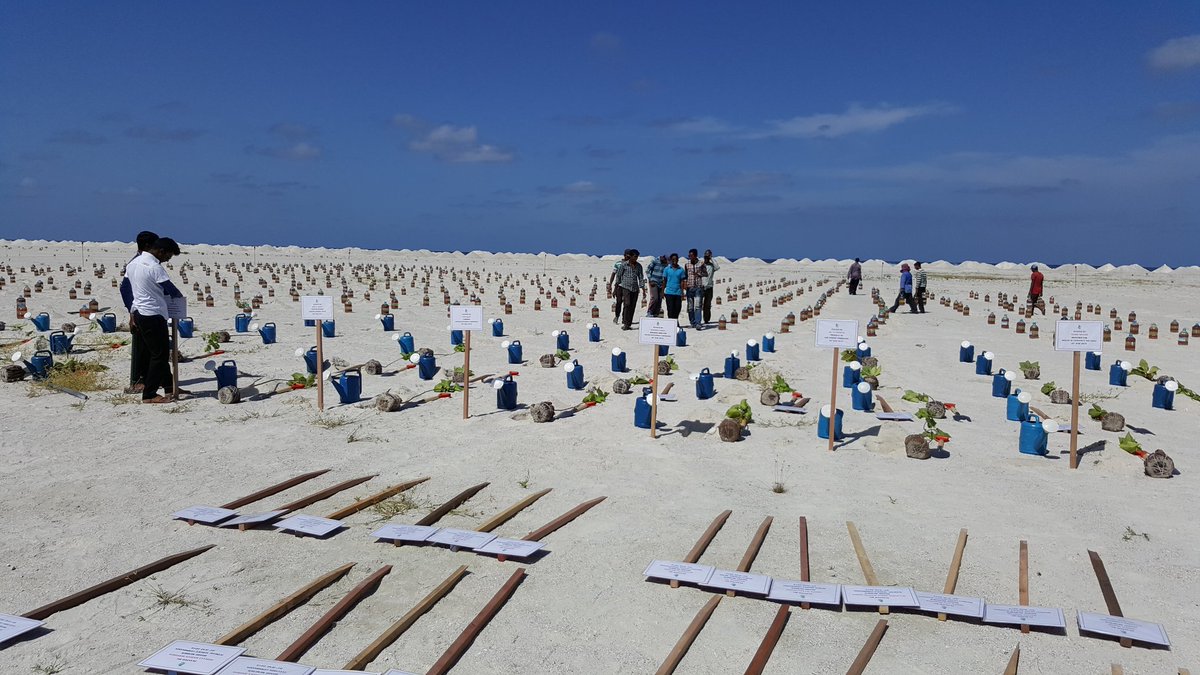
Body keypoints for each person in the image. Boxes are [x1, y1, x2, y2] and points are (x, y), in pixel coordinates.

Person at [125, 237, 185, 403]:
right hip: (153, 314)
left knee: (157, 352)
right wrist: (179, 299)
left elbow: (133, 289)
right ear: (161, 251)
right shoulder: (154, 267)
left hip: (139, 313)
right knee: (159, 356)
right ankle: (149, 394)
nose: (167, 260)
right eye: (168, 256)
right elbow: (172, 290)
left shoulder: (132, 264)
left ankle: (169, 386)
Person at [119, 230, 159, 394]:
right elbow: (125, 289)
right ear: (148, 246)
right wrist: (132, 312)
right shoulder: (137, 262)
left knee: (150, 347)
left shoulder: (148, 260)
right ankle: (137, 381)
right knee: (141, 348)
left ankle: (150, 379)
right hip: (141, 312)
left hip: (148, 310)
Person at [609, 249, 646, 330]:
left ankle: (628, 324)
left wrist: (643, 289)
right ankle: (625, 323)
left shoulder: (639, 266)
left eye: (637, 257)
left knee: (632, 306)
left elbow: (641, 278)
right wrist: (616, 287)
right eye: (635, 256)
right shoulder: (624, 265)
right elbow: (618, 276)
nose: (636, 258)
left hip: (635, 288)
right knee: (627, 304)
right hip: (625, 287)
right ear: (631, 256)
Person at [683, 248, 707, 329]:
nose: (690, 257)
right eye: (689, 256)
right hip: (689, 287)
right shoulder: (687, 264)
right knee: (690, 307)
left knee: (697, 306)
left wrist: (699, 274)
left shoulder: (701, 263)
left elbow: (706, 273)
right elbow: (685, 276)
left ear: (696, 256)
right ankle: (692, 322)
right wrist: (685, 284)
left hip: (698, 287)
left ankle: (698, 323)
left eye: (691, 256)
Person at [607, 250, 631, 324]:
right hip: (619, 286)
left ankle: (624, 319)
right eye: (628, 255)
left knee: (626, 303)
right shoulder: (618, 263)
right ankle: (617, 316)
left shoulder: (631, 264)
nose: (629, 257)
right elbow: (613, 274)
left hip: (628, 287)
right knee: (619, 302)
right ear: (624, 255)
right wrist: (610, 284)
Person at [662, 253, 685, 321]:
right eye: (673, 259)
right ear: (671, 260)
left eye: (676, 259)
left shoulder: (681, 270)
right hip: (669, 292)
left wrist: (682, 292)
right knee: (670, 309)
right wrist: (662, 291)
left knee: (677, 308)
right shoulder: (667, 269)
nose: (674, 260)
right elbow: (664, 281)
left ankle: (675, 321)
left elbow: (682, 282)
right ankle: (671, 322)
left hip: (678, 292)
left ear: (678, 260)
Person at [701, 249, 719, 324]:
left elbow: (717, 267)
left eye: (707, 257)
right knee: (698, 304)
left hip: (709, 287)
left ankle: (706, 319)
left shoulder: (712, 266)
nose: (706, 258)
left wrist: (711, 258)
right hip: (701, 287)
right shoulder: (701, 265)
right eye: (705, 257)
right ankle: (698, 320)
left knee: (707, 304)